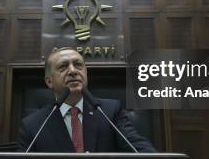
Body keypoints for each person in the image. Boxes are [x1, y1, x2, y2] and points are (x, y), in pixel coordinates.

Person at [18, 47, 156, 153]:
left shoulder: (110, 111)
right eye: (63, 66)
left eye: (78, 65)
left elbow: (139, 149)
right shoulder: (33, 125)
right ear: (49, 81)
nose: (73, 71)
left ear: (86, 73)